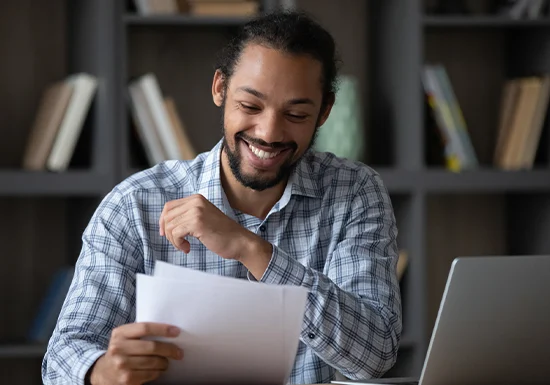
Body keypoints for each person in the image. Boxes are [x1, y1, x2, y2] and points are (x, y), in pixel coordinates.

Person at [42, 9, 402, 385]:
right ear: (220, 89)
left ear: (324, 112)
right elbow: (62, 359)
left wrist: (251, 250)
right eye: (250, 106)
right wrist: (101, 372)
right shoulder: (135, 204)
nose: (268, 132)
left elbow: (375, 355)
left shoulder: (355, 192)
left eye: (295, 114)